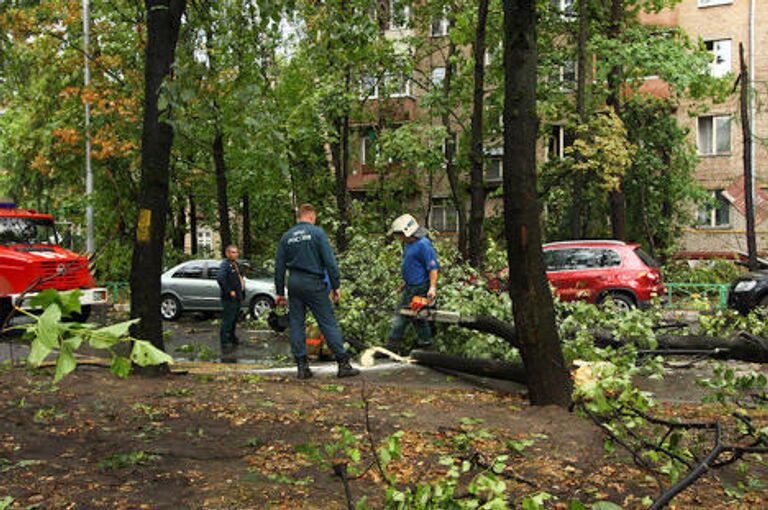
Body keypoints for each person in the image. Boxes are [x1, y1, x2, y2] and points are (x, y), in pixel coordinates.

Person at [275, 204, 360, 379]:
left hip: (294, 283)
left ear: (299, 217)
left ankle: (302, 367)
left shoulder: (286, 237)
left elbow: (279, 267)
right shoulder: (317, 233)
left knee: (297, 324)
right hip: (313, 282)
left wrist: (280, 293)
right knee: (327, 322)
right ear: (312, 217)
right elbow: (330, 262)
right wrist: (336, 286)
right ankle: (343, 364)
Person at [385, 214, 440, 354]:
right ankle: (393, 345)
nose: (400, 238)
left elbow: (433, 268)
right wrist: (405, 282)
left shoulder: (424, 245)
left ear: (407, 231)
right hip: (410, 287)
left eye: (400, 234)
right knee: (401, 314)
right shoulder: (408, 244)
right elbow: (411, 265)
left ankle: (427, 345)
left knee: (418, 317)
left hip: (421, 287)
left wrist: (432, 288)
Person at [217, 244, 245, 353]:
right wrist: (229, 291)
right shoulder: (225, 264)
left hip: (237, 296)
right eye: (233, 252)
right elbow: (220, 278)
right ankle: (224, 341)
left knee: (233, 319)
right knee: (228, 319)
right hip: (229, 297)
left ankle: (232, 338)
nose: (235, 254)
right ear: (227, 253)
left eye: (236, 252)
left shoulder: (235, 264)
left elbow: (238, 277)